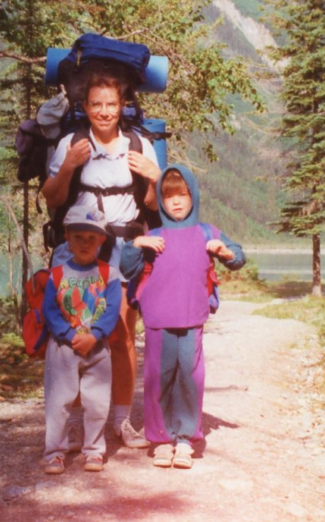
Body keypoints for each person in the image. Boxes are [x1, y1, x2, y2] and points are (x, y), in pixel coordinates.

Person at [41, 71, 160, 449]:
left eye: (111, 104)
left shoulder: (140, 144)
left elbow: (153, 206)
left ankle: (120, 422)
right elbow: (53, 199)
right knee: (73, 334)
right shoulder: (70, 143)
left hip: (124, 249)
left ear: (122, 106)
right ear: (85, 107)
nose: (104, 112)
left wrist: (155, 180)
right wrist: (68, 166)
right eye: (96, 104)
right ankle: (76, 424)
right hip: (80, 248)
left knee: (122, 334)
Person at [119, 165, 246, 469]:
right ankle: (162, 439)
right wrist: (136, 244)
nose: (176, 201)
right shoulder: (154, 235)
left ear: (193, 196)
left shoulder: (207, 232)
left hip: (192, 319)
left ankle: (185, 438)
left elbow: (238, 255)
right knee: (158, 379)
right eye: (168, 196)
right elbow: (127, 269)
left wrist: (226, 253)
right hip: (158, 321)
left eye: (182, 195)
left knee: (190, 377)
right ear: (161, 201)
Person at [41, 204, 122, 474]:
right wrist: (69, 334)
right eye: (79, 237)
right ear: (67, 237)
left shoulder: (109, 274)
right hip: (63, 349)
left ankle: (94, 450)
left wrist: (96, 335)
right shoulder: (57, 275)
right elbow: (50, 312)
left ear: (102, 240)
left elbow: (111, 310)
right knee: (58, 402)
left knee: (97, 401)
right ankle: (54, 452)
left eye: (92, 238)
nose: (85, 243)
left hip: (97, 349)